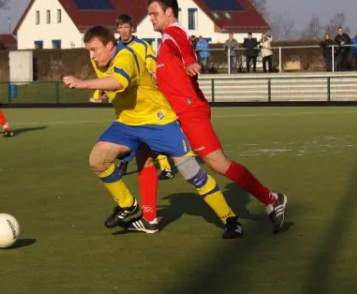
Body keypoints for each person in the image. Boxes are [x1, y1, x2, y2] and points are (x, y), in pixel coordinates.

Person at [63, 25, 243, 238]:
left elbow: (119, 81)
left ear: (110, 45)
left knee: (191, 173)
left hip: (158, 122)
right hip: (128, 123)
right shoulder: (101, 60)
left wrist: (82, 83)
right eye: (89, 51)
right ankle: (128, 205)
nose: (91, 56)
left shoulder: (125, 56)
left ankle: (230, 219)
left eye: (95, 50)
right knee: (98, 160)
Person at [147, 0, 288, 233]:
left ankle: (272, 199)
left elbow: (184, 47)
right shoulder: (165, 40)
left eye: (154, 13)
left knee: (218, 163)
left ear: (169, 12)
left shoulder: (173, 33)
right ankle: (146, 216)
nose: (151, 18)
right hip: (175, 115)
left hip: (190, 112)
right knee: (145, 153)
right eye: (149, 14)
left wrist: (191, 61)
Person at [113, 14, 175, 180]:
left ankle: (166, 168)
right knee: (125, 129)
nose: (124, 30)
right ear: (117, 29)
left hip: (144, 95)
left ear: (132, 28)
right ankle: (124, 161)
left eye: (127, 27)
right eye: (121, 27)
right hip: (124, 97)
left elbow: (151, 65)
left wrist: (154, 76)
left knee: (151, 129)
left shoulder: (143, 45)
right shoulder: (115, 48)